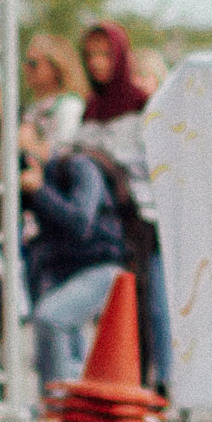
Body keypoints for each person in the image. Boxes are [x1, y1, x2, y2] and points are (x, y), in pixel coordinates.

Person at [79, 18, 170, 395]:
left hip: (143, 221)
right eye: (90, 54)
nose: (98, 62)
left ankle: (155, 387)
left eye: (106, 53)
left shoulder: (144, 106)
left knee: (150, 307)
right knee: (114, 310)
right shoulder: (90, 110)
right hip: (104, 225)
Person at [20, 124, 130, 395]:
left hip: (101, 266)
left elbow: (81, 223)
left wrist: (40, 191)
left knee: (51, 317)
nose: (24, 164)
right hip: (62, 273)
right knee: (63, 343)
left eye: (27, 154)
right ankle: (61, 403)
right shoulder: (34, 184)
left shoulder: (78, 166)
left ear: (44, 146)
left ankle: (59, 404)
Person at [21, 32, 86, 155]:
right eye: (26, 62)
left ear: (56, 67)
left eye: (33, 63)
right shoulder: (34, 106)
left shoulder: (70, 105)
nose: (26, 68)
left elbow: (63, 153)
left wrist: (28, 144)